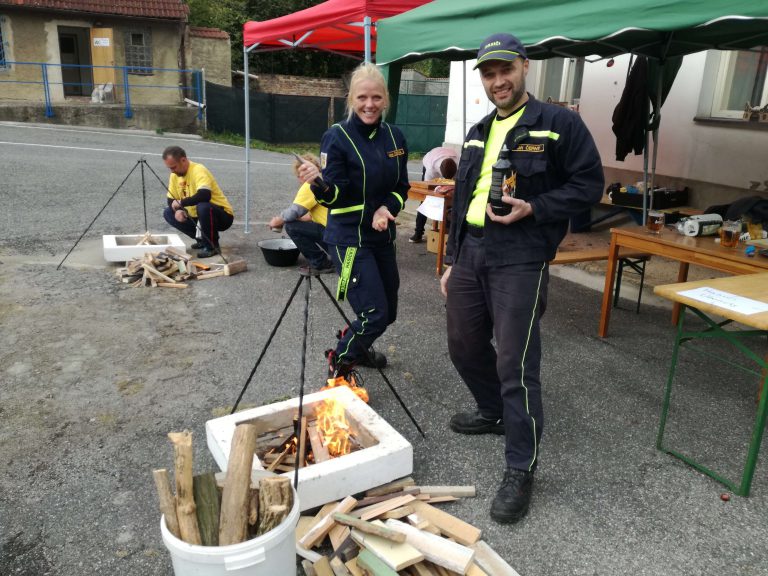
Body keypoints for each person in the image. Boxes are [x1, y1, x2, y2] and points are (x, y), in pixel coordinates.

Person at [440, 33, 603, 524]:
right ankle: (492, 411)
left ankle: (520, 467)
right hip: (472, 252)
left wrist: (535, 206)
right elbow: (462, 196)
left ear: (524, 67)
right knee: (464, 345)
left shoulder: (558, 124)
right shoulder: (477, 130)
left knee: (516, 363)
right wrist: (452, 258)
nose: (497, 81)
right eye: (488, 75)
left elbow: (589, 185)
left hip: (520, 255)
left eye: (504, 70)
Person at [297, 62, 409, 375]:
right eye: (362, 97)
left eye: (375, 97)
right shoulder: (336, 137)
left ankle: (355, 344)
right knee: (373, 313)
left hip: (382, 237)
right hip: (348, 240)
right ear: (351, 99)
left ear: (385, 99)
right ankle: (342, 358)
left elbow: (402, 187)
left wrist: (387, 208)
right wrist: (318, 184)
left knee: (388, 313)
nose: (369, 104)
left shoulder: (395, 137)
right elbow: (335, 197)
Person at [162, 146, 234, 258]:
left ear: (183, 160)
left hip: (222, 215)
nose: (172, 171)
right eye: (169, 168)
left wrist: (181, 203)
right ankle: (201, 239)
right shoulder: (174, 175)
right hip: (197, 216)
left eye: (174, 167)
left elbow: (205, 195)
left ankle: (212, 246)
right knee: (168, 212)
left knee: (203, 206)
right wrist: (178, 210)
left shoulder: (198, 169)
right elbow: (171, 199)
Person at [268, 154, 334, 275]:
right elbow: (310, 216)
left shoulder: (310, 185)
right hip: (339, 234)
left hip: (332, 237)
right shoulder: (327, 180)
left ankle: (321, 263)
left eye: (300, 175)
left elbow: (293, 213)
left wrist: (278, 220)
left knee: (291, 226)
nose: (300, 179)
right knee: (299, 223)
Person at [410, 147, 459, 243]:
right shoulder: (430, 168)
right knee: (425, 200)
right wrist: (437, 191)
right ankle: (418, 233)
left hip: (448, 155)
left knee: (451, 199)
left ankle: (448, 234)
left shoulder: (458, 163)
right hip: (431, 157)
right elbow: (426, 189)